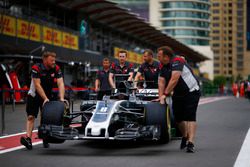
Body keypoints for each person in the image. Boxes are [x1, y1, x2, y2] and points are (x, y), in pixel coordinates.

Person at [157, 46, 200, 153]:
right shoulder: (163, 66)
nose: (157, 58)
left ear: (166, 56)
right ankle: (185, 136)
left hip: (191, 91)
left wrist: (165, 94)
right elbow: (161, 82)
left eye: (159, 56)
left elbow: (174, 79)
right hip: (178, 93)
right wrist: (160, 97)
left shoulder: (177, 61)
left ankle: (191, 143)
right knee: (178, 119)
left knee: (190, 116)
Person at [20, 51, 66, 150]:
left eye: (54, 60)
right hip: (34, 95)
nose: (54, 62)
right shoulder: (36, 68)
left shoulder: (56, 68)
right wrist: (44, 98)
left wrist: (61, 98)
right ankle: (28, 138)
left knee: (45, 117)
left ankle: (45, 136)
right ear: (45, 60)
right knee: (31, 117)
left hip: (48, 96)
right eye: (51, 60)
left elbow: (61, 83)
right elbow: (37, 85)